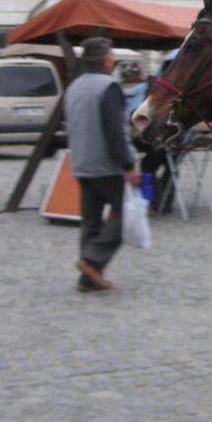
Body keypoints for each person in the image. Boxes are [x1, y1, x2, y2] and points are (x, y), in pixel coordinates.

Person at [64, 37, 142, 292]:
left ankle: (88, 279)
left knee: (91, 221)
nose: (113, 61)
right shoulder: (108, 87)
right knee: (125, 215)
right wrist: (128, 164)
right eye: (110, 56)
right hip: (106, 165)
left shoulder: (73, 87)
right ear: (104, 60)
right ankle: (92, 260)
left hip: (81, 162)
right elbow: (115, 132)